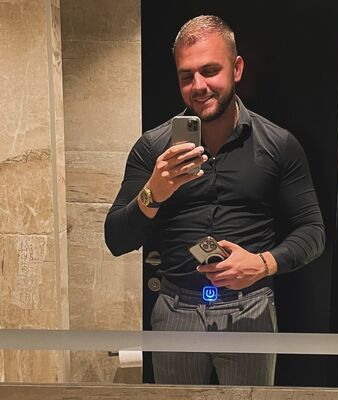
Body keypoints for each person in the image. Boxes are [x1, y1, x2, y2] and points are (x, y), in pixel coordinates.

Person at [105, 15, 325, 386]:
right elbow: (116, 239)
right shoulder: (153, 148)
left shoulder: (278, 145)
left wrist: (262, 264)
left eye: (210, 71)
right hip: (175, 310)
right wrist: (153, 193)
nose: (199, 86)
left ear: (236, 68)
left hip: (250, 308)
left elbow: (313, 231)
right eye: (186, 76)